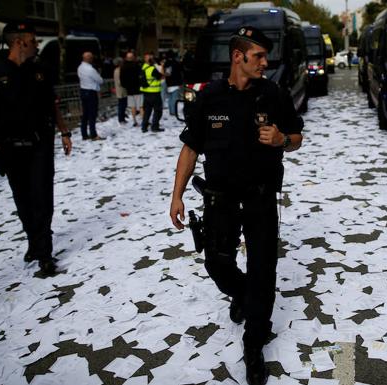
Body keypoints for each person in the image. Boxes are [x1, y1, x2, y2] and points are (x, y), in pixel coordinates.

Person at [170, 26, 303, 385]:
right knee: (217, 263)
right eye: (258, 56)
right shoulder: (210, 97)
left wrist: (281, 139)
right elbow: (190, 147)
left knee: (263, 271)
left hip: (260, 197)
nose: (265, 62)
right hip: (220, 199)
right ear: (238, 56)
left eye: (265, 56)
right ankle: (243, 294)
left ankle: (254, 346)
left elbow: (297, 137)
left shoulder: (273, 93)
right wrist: (177, 194)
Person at [0, 22, 72, 276]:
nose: (36, 44)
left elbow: (53, 105)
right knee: (23, 200)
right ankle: (33, 242)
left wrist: (65, 132)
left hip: (40, 145)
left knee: (42, 199)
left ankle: (45, 254)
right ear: (19, 42)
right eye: (33, 39)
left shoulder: (40, 71)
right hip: (10, 148)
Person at [77, 51, 103, 140]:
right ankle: (93, 134)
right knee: (92, 114)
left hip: (83, 91)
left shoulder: (80, 68)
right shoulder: (90, 69)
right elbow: (100, 80)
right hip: (91, 92)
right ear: (89, 58)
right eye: (91, 57)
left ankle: (84, 134)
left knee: (85, 114)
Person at [140, 52, 163, 132]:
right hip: (154, 92)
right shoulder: (152, 69)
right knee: (157, 110)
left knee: (147, 110)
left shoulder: (143, 67)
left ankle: (144, 126)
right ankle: (155, 127)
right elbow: (161, 76)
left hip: (146, 92)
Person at [120, 51, 142, 127]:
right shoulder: (137, 65)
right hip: (138, 89)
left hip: (129, 89)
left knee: (133, 106)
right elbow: (141, 76)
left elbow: (122, 79)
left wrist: (126, 86)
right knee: (141, 106)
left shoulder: (123, 67)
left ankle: (135, 121)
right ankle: (143, 121)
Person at [164, 49, 183, 116]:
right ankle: (174, 111)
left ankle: (171, 111)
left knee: (170, 98)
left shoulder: (166, 63)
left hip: (169, 83)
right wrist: (180, 83)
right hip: (176, 83)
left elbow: (167, 73)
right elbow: (179, 73)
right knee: (174, 99)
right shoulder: (176, 63)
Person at [113, 57, 127, 124]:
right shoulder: (119, 71)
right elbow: (120, 82)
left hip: (120, 90)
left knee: (122, 105)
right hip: (121, 90)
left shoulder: (117, 70)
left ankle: (122, 117)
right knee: (122, 105)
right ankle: (121, 119)